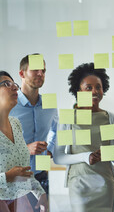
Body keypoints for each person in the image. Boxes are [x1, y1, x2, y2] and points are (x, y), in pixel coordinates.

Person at [53, 63, 114, 212]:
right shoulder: (68, 118)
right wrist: (86, 156)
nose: (95, 91)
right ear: (78, 91)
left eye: (98, 87)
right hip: (79, 185)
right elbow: (59, 157)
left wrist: (103, 154)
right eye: (88, 87)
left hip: (105, 184)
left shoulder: (111, 119)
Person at [10, 54, 58, 199]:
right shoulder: (9, 104)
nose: (40, 74)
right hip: (15, 174)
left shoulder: (50, 104)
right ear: (21, 73)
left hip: (40, 174)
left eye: (43, 71)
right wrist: (26, 149)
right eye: (35, 70)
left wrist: (50, 150)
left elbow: (57, 130)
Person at [0, 71, 48, 212]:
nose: (15, 87)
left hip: (19, 199)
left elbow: (23, 170)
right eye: (5, 84)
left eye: (14, 84)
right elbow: (14, 174)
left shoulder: (15, 123)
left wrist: (40, 193)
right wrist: (7, 177)